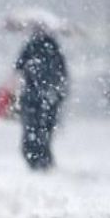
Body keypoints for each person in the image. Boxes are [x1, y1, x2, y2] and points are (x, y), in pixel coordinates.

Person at [14, 28, 68, 170]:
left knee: (32, 130)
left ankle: (35, 158)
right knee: (44, 131)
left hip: (32, 98)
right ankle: (43, 159)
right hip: (49, 99)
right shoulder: (54, 50)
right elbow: (63, 76)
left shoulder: (30, 48)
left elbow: (18, 68)